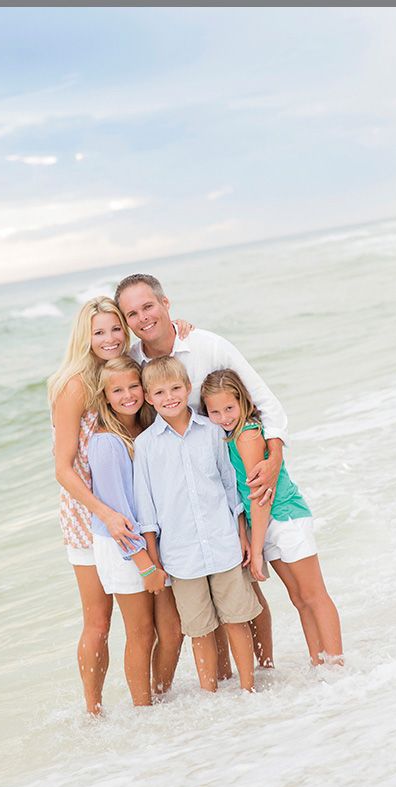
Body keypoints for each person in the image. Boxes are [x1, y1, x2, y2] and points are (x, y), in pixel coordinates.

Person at [115, 272, 282, 669]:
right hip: (181, 510)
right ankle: (225, 683)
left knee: (245, 598)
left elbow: (265, 403)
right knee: (206, 618)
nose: (143, 318)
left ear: (166, 303)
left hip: (231, 485)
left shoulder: (208, 345)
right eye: (132, 313)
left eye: (148, 306)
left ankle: (267, 672)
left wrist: (274, 459)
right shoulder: (134, 363)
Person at [48, 297, 191, 715]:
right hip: (86, 509)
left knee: (147, 622)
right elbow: (63, 467)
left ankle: (149, 698)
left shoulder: (123, 369)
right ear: (84, 337)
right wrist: (105, 514)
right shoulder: (74, 384)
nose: (109, 338)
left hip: (126, 506)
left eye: (115, 329)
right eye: (98, 332)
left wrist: (177, 327)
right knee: (98, 619)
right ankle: (93, 710)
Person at [200, 368, 344, 666]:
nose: (224, 417)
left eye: (230, 408)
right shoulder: (229, 437)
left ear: (243, 402)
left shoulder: (248, 436)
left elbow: (260, 497)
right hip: (265, 525)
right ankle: (320, 663)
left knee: (314, 595)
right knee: (299, 599)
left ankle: (337, 663)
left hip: (285, 517)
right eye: (215, 412)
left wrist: (255, 549)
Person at [133, 356, 260, 692]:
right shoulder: (145, 446)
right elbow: (146, 509)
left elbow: (231, 488)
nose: (169, 396)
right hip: (181, 555)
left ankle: (249, 690)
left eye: (176, 388)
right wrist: (153, 559)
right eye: (159, 392)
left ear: (188, 389)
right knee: (199, 630)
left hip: (223, 545)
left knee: (237, 620)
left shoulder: (212, 433)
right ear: (148, 397)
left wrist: (242, 535)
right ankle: (211, 698)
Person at [88, 356, 183, 705]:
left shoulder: (145, 428)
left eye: (133, 386)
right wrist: (145, 565)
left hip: (152, 543)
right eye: (117, 390)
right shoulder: (106, 443)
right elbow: (118, 515)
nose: (128, 395)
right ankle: (144, 709)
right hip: (124, 548)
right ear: (105, 396)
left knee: (172, 631)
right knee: (141, 633)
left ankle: (162, 696)